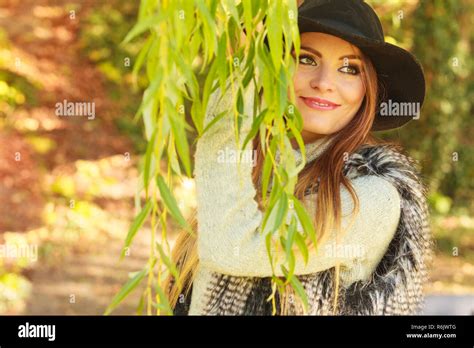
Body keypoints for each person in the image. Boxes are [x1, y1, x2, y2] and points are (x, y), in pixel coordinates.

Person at [165, 0, 433, 315]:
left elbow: (230, 247)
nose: (323, 83)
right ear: (271, 70)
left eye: (349, 68)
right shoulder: (252, 173)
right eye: (305, 59)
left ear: (368, 89)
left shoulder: (374, 197)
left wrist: (229, 108)